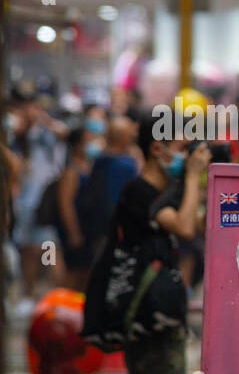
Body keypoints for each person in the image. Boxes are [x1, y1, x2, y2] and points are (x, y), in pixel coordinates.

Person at [113, 110, 211, 374]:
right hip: (153, 320)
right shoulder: (143, 191)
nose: (184, 152)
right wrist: (192, 178)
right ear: (158, 147)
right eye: (179, 144)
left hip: (144, 316)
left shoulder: (146, 191)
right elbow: (187, 227)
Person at [9, 90, 66, 310]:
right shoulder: (18, 137)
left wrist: (43, 120)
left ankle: (54, 294)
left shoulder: (49, 133)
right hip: (24, 204)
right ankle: (29, 296)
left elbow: (64, 134)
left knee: (49, 249)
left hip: (46, 205)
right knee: (28, 251)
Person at [79, 114, 142, 262]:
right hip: (117, 231)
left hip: (96, 228)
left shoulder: (99, 160)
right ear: (123, 138)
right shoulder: (125, 165)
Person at [54, 126, 97, 291]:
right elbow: (65, 205)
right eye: (89, 140)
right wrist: (73, 233)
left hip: (87, 231)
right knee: (73, 274)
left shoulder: (89, 168)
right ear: (78, 145)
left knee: (84, 274)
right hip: (75, 232)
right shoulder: (71, 172)